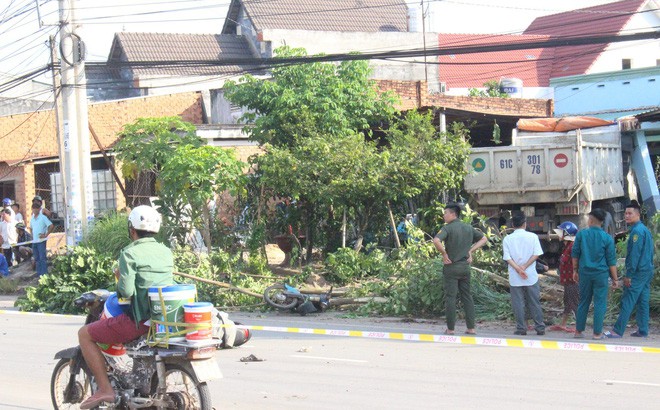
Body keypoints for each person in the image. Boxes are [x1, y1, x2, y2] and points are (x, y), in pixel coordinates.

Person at [78, 206, 174, 409]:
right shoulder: (166, 251)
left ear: (132, 230)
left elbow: (126, 292)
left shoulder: (129, 253)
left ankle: (105, 389)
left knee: (85, 334)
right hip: (163, 318)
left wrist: (119, 280)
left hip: (139, 320)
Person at [433, 204, 488, 335]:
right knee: (467, 296)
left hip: (451, 267)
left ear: (453, 214)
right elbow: (484, 238)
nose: (444, 215)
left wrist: (444, 254)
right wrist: (470, 250)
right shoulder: (468, 227)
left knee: (450, 298)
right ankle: (471, 328)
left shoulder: (447, 228)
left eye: (445, 213)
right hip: (465, 268)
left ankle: (451, 329)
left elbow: (436, 240)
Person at [606, 201, 655, 338]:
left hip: (638, 272)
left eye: (629, 213)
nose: (626, 216)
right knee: (643, 300)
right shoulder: (644, 229)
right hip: (647, 270)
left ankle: (618, 330)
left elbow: (634, 255)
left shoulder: (637, 232)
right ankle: (643, 330)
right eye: (625, 213)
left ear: (637, 214)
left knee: (628, 299)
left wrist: (629, 275)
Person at [571, 209, 618, 340]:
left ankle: (578, 331)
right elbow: (611, 261)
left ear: (590, 220)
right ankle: (597, 333)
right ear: (602, 222)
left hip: (585, 273)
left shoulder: (581, 235)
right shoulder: (607, 238)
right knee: (600, 303)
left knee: (583, 301)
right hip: (601, 275)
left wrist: (575, 270)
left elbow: (575, 254)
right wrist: (615, 279)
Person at [502, 212, 546, 336]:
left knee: (518, 302)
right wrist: (525, 267)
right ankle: (540, 327)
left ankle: (521, 328)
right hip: (530, 274)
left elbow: (507, 258)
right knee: (534, 301)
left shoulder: (507, 239)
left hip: (515, 275)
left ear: (512, 225)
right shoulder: (533, 237)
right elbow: (536, 254)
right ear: (525, 224)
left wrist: (518, 269)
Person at [549, 221, 579, 332]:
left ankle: (579, 326)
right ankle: (563, 324)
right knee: (567, 302)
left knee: (575, 302)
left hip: (573, 280)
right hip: (568, 280)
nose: (559, 235)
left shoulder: (573, 246)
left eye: (561, 232)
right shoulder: (567, 246)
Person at [30, 203, 53, 276]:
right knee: (36, 258)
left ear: (39, 209)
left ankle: (44, 274)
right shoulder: (32, 219)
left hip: (41, 241)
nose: (35, 209)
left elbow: (51, 226)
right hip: (35, 241)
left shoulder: (43, 217)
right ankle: (39, 273)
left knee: (42, 258)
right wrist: (32, 235)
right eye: (33, 208)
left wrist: (46, 235)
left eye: (36, 208)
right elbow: (30, 228)